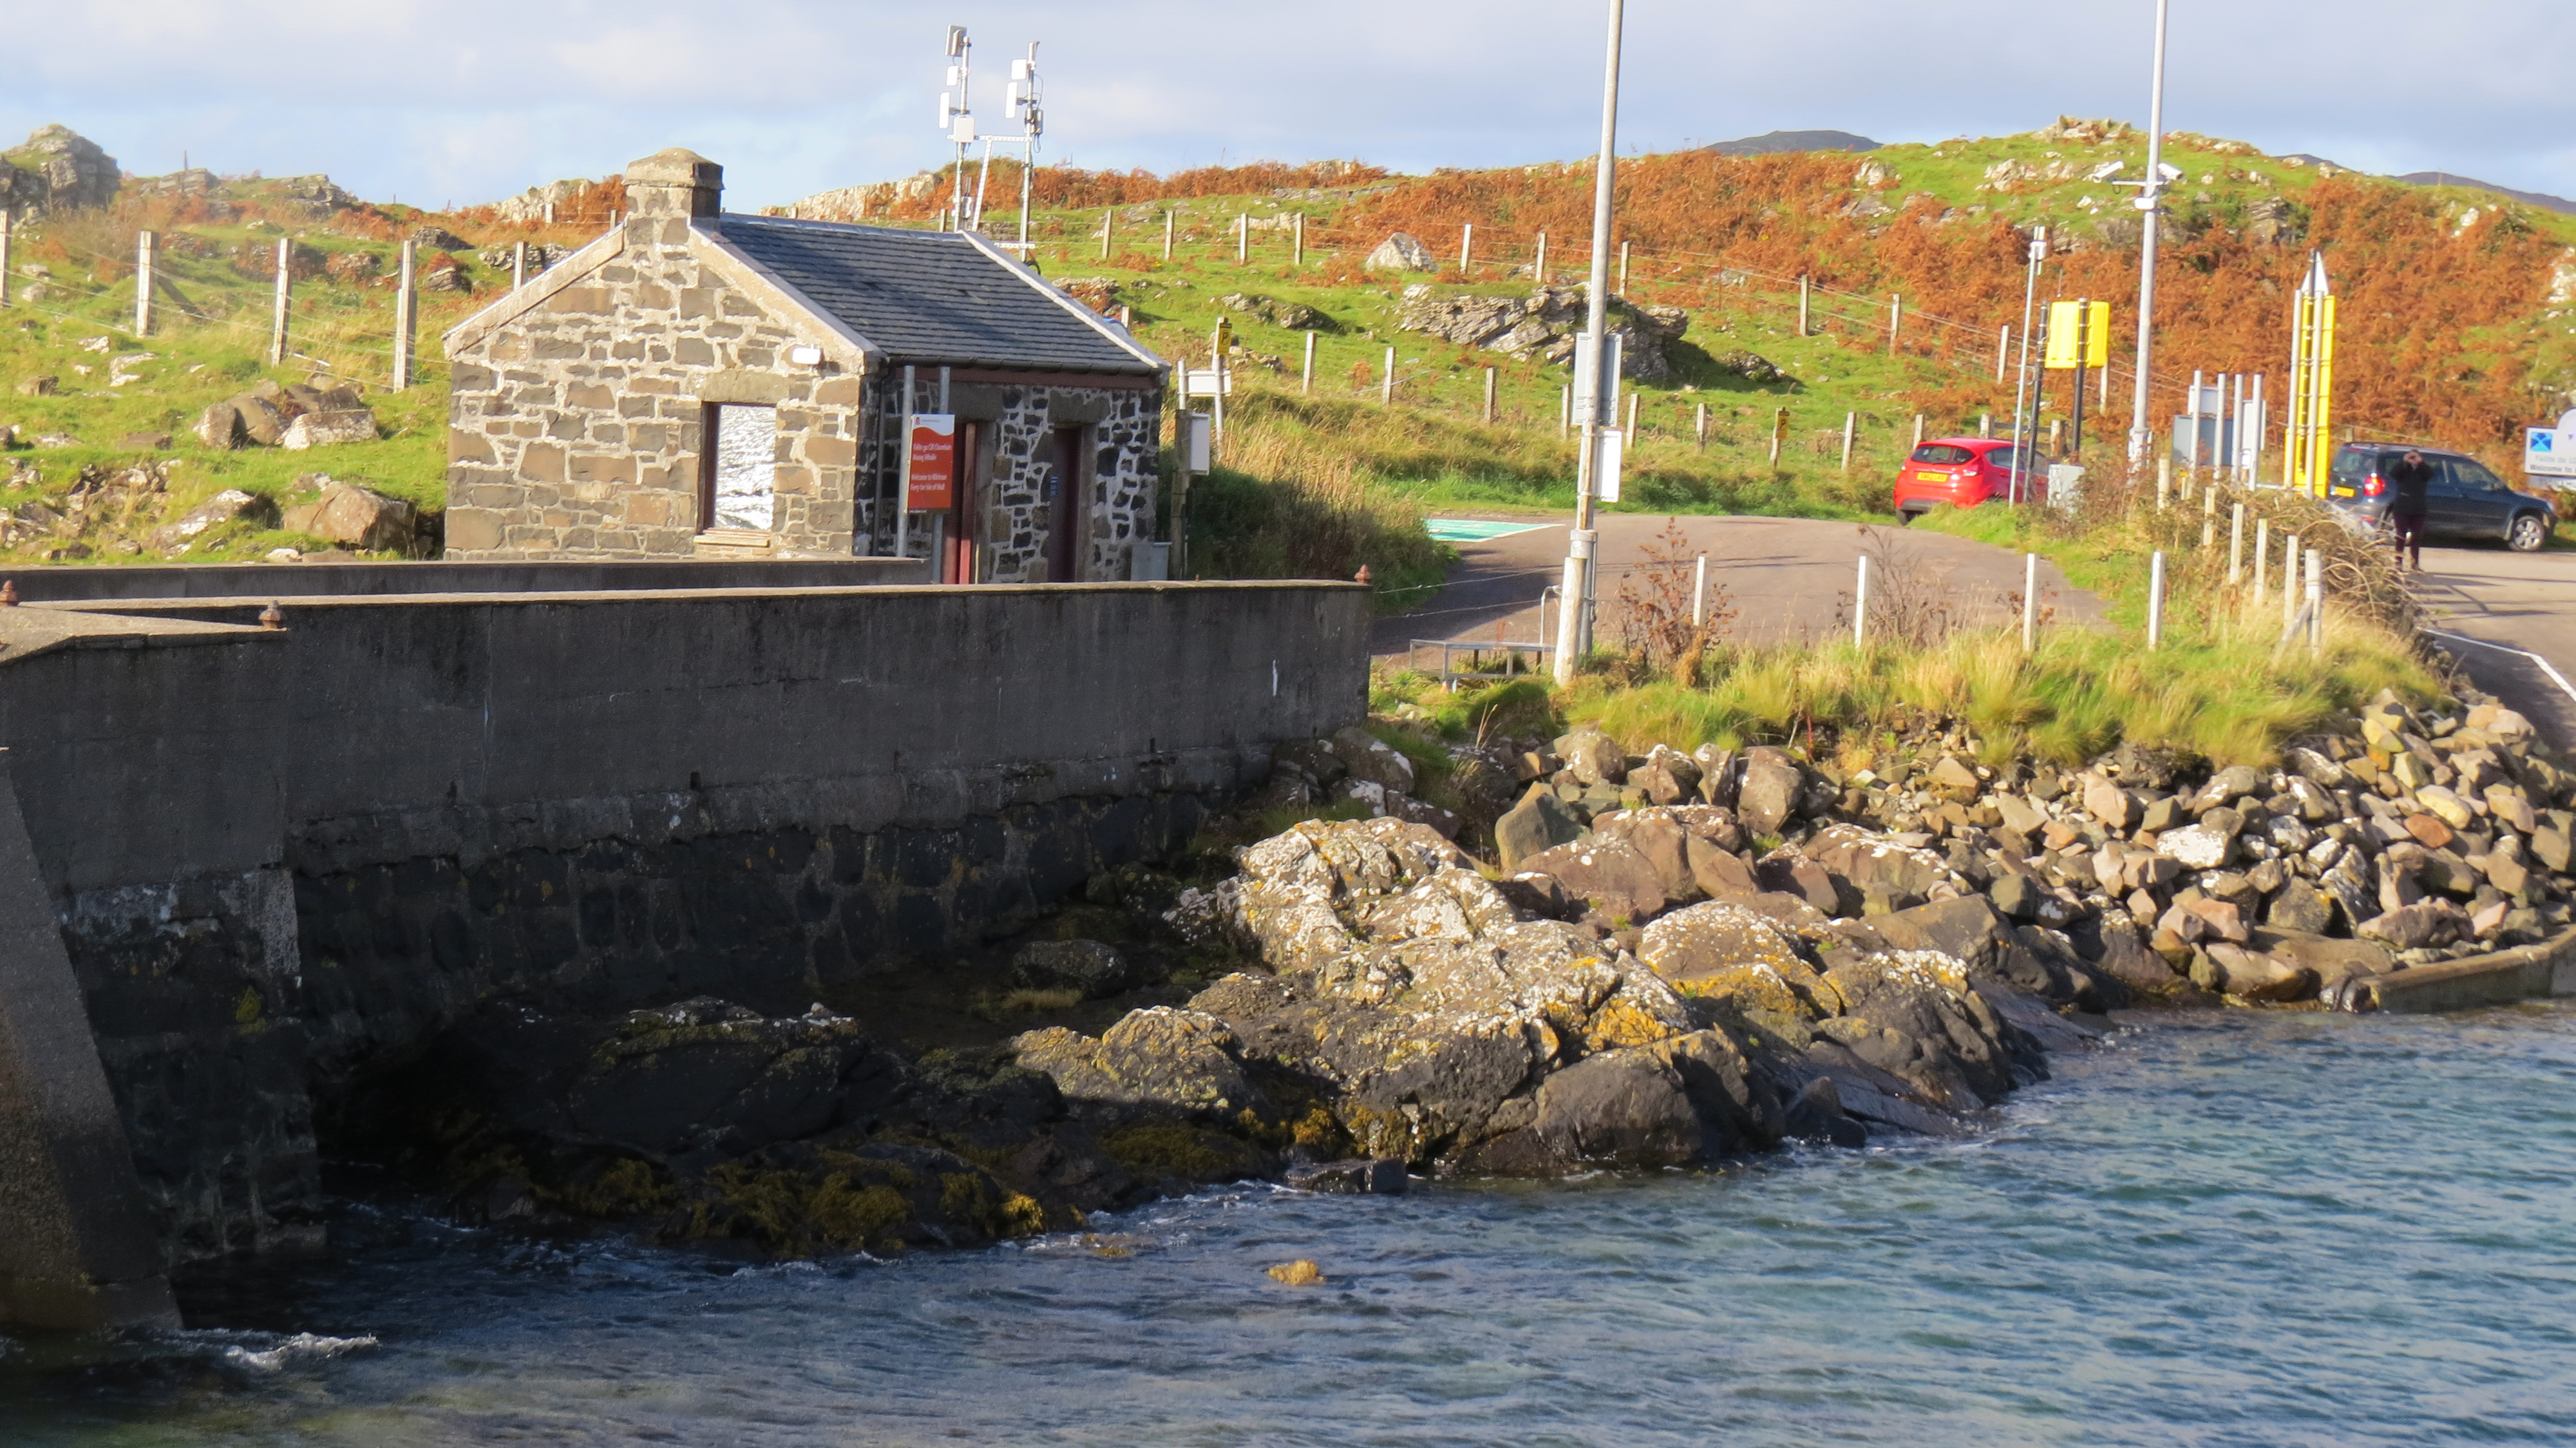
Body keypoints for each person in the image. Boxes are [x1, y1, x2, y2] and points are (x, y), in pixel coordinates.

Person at [2385, 449, 2432, 572]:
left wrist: (2421, 463)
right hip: (2402, 508)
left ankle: (2414, 563)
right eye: (2412, 457)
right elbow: (2393, 474)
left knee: (2416, 537)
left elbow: (2430, 475)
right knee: (2400, 536)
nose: (2414, 460)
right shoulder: (2403, 469)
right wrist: (2405, 462)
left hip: (2418, 509)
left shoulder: (2423, 471)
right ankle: (2398, 562)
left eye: (2415, 457)